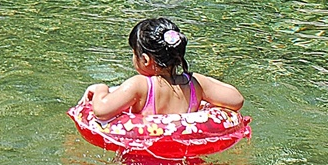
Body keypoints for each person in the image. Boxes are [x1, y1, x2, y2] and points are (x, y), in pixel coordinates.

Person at [80, 18, 244, 120]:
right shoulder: (195, 84)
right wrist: (201, 82)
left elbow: (101, 111)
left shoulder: (139, 85)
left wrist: (100, 88)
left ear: (145, 59)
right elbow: (236, 100)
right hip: (183, 159)